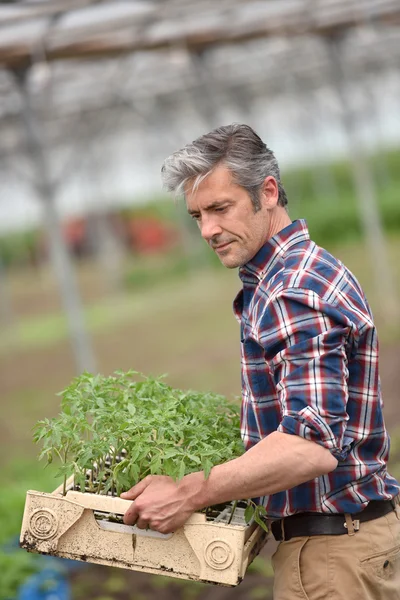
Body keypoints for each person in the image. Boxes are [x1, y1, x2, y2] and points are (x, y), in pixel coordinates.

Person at [121, 123, 400, 599]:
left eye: (220, 208)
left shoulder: (291, 291)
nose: (208, 229)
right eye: (197, 215)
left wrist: (189, 490)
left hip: (330, 557)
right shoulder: (306, 267)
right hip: (354, 542)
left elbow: (309, 446)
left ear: (267, 192)